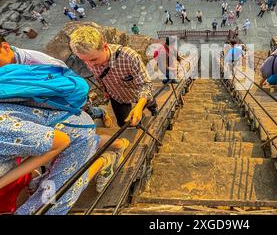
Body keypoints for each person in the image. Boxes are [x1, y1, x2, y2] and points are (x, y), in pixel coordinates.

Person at [0, 64, 129, 215]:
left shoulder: (3, 128)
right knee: (48, 192)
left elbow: (61, 141)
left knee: (53, 204)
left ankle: (106, 160)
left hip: (75, 133)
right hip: (53, 127)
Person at [69, 26, 158, 128]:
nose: (89, 65)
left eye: (93, 60)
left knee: (150, 101)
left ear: (105, 47)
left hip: (136, 93)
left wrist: (139, 106)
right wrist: (105, 90)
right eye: (84, 60)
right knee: (123, 123)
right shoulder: (90, 59)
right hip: (116, 96)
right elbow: (99, 77)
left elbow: (145, 84)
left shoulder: (129, 57)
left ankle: (153, 108)